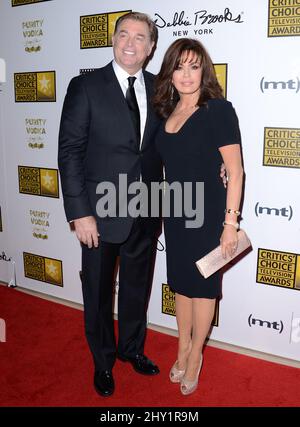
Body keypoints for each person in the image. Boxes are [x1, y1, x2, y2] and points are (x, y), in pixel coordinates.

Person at [58, 12, 163, 397]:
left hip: (147, 210)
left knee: (137, 288)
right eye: (123, 34)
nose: (131, 43)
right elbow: (69, 152)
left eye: (140, 37)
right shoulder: (85, 86)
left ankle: (131, 349)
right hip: (98, 216)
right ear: (113, 40)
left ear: (151, 47)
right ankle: (103, 363)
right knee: (99, 294)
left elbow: (171, 144)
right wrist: (79, 213)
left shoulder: (160, 89)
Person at [153, 38, 244, 395]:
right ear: (170, 72)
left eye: (194, 66)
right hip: (176, 214)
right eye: (179, 66)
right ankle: (182, 347)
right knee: (181, 286)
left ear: (204, 70)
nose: (187, 74)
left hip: (208, 216)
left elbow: (235, 172)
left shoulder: (217, 110)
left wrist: (230, 224)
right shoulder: (167, 112)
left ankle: (195, 358)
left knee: (203, 288)